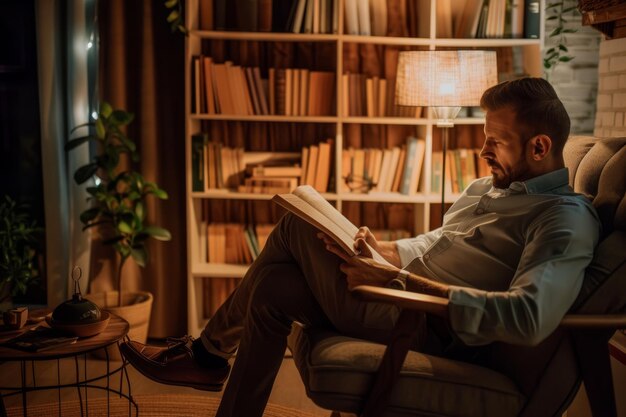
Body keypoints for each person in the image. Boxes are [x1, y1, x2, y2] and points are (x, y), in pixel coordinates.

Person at [120, 77, 600, 417]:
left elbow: (530, 317)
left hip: (420, 319)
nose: (482, 152)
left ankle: (205, 357)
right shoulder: (485, 188)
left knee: (295, 225)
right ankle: (220, 386)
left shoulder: (562, 218)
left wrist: (397, 280)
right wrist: (382, 251)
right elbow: (437, 242)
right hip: (394, 291)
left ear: (539, 147)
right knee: (273, 285)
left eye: (495, 142)